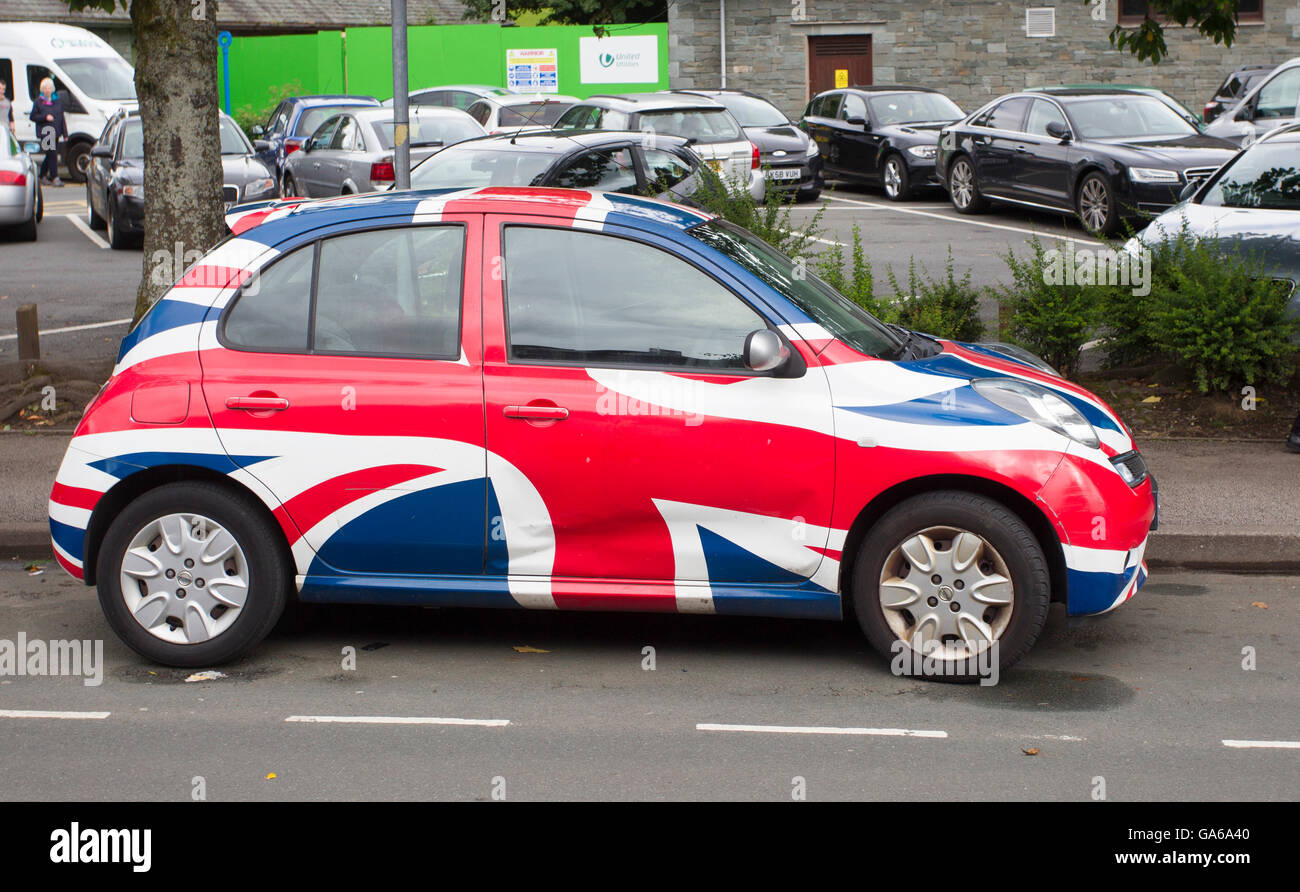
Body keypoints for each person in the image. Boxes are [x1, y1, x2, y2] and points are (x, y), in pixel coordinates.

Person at [28, 77, 66, 186]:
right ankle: (55, 177)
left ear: (52, 89)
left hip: (56, 132)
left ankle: (42, 176)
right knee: (52, 154)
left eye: (49, 88)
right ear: (42, 89)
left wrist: (65, 133)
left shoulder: (57, 101)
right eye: (45, 88)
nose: (47, 90)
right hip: (46, 132)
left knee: (50, 154)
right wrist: (45, 117)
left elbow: (61, 118)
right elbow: (33, 116)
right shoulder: (38, 102)